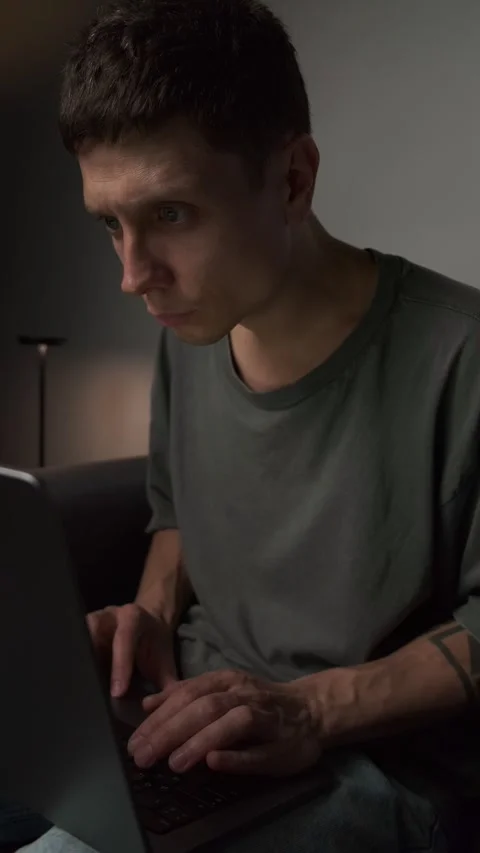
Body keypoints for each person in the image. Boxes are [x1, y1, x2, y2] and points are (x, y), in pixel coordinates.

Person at [5, 0, 480, 850]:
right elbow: (178, 511)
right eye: (110, 224)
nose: (132, 274)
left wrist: (310, 708)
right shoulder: (191, 328)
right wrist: (149, 615)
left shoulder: (462, 357)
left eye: (171, 214)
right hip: (183, 723)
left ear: (293, 178)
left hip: (369, 767)